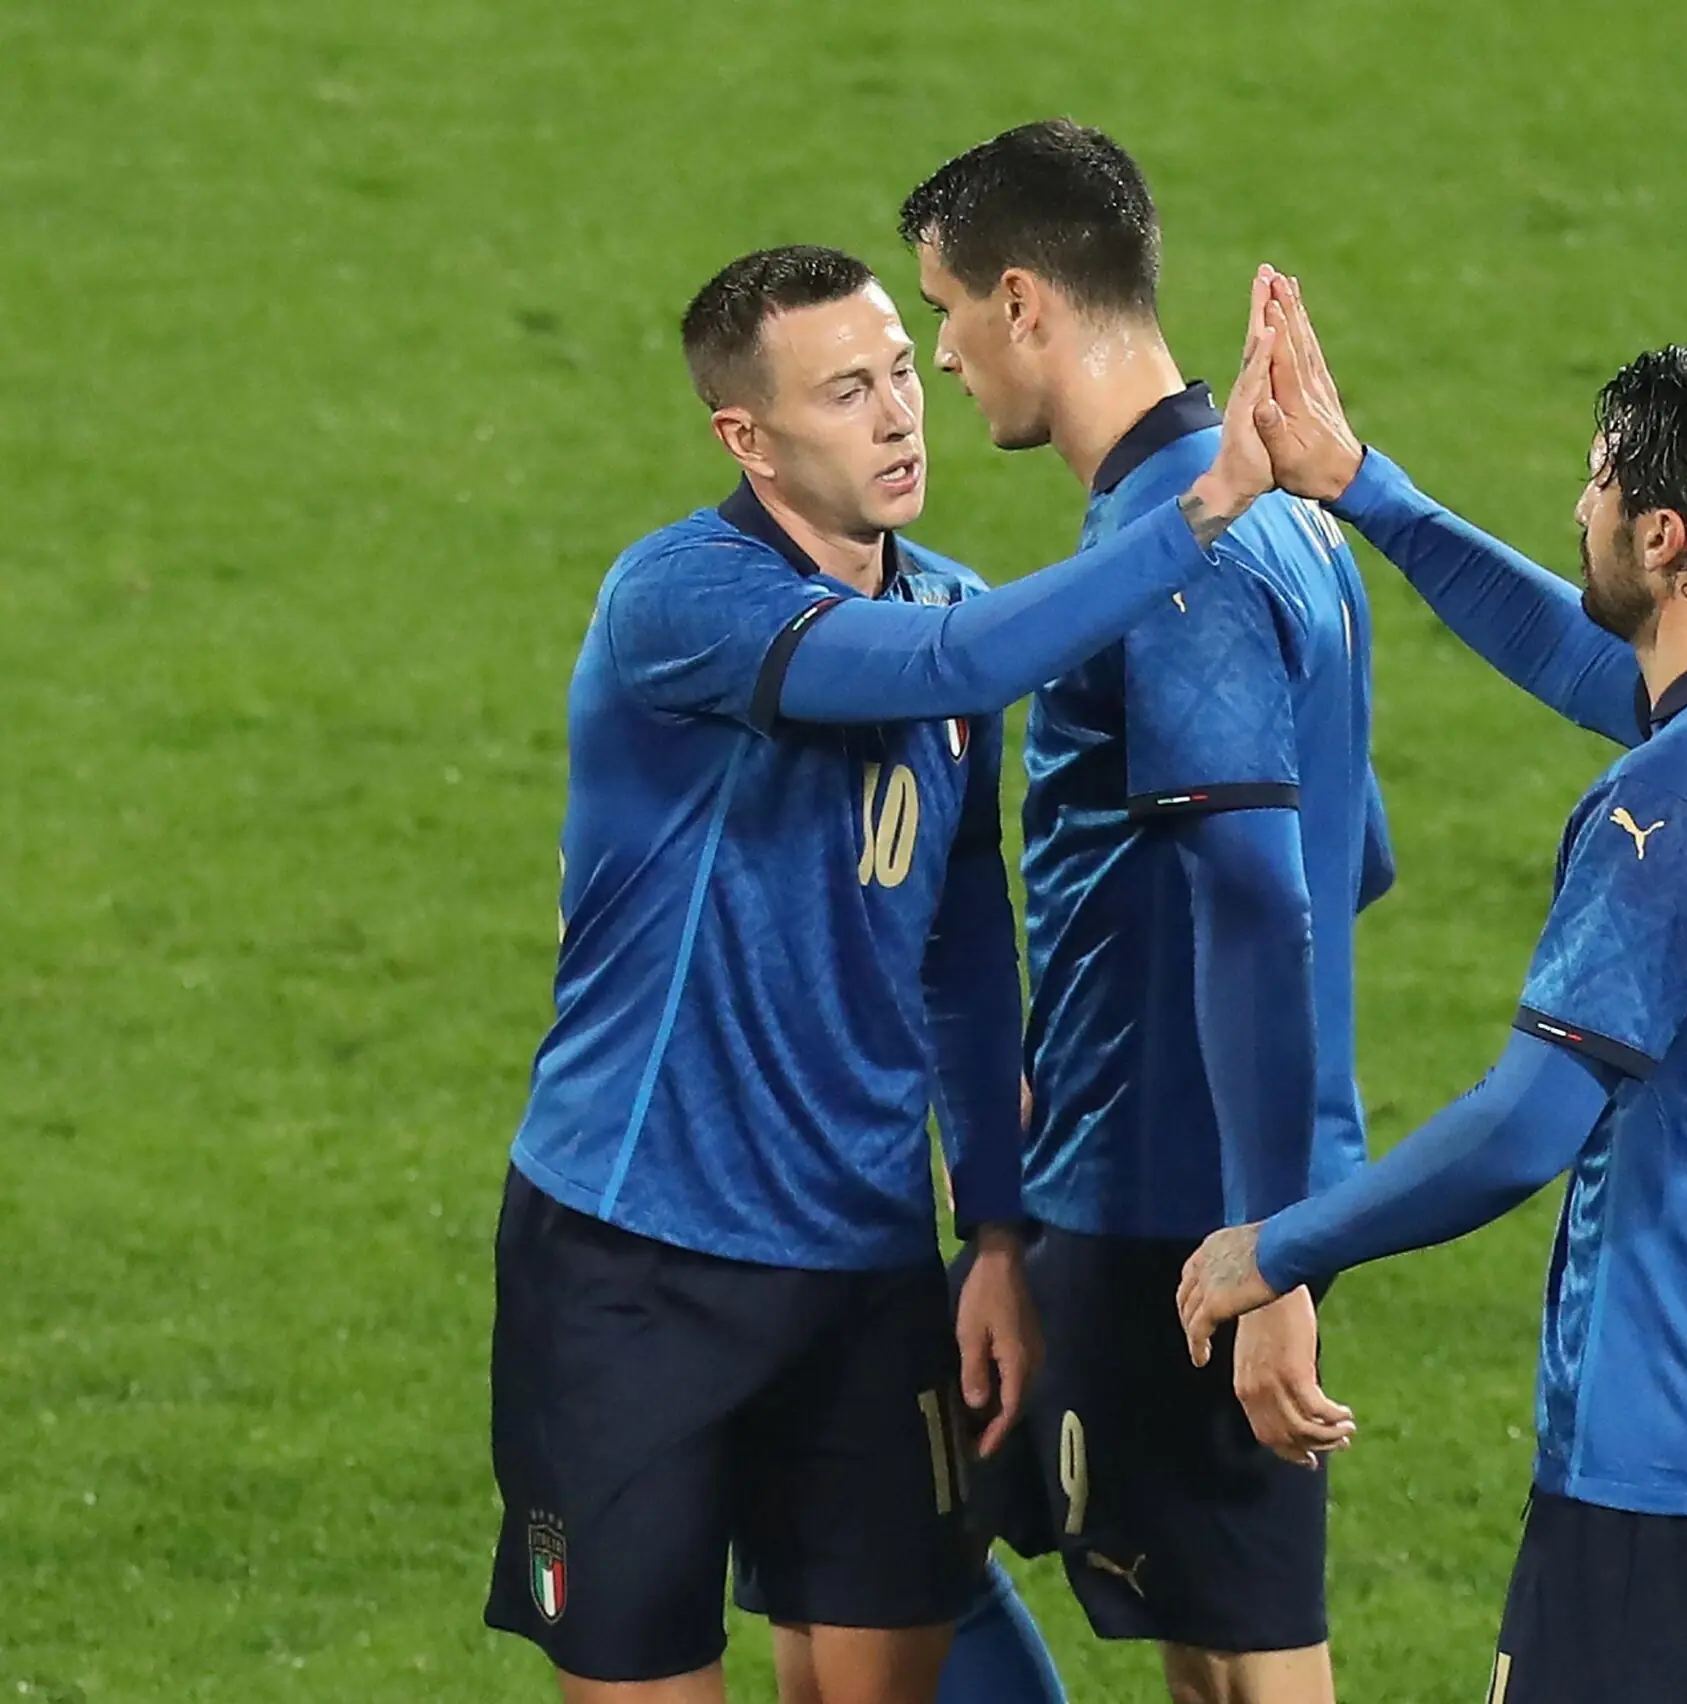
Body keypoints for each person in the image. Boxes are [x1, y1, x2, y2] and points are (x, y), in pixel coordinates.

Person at [484, 243, 1283, 1704]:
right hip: (634, 1259)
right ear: (748, 438)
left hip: (863, 1267)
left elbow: (964, 948)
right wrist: (1200, 509)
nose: (902, 412)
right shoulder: (680, 598)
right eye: (846, 392)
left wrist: (995, 1231)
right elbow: (940, 667)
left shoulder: (951, 602)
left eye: (903, 370)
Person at [1178, 275, 1687, 1704]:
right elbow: (1586, 656)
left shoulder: (1686, 806)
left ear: (1665, 539)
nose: (1578, 504)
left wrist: (1274, 1247)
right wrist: (1360, 485)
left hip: (1673, 1481)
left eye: (1601, 482)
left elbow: (1525, 1126)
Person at [898, 125, 1392, 1704]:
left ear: (1023, 302)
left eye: (946, 314)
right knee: (1205, 1643)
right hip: (1206, 1171)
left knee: (1246, 1659)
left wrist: (1265, 1248)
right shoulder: (1282, 519)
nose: (941, 359)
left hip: (1180, 1200)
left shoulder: (1182, 553)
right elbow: (1354, 854)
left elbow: (1256, 894)